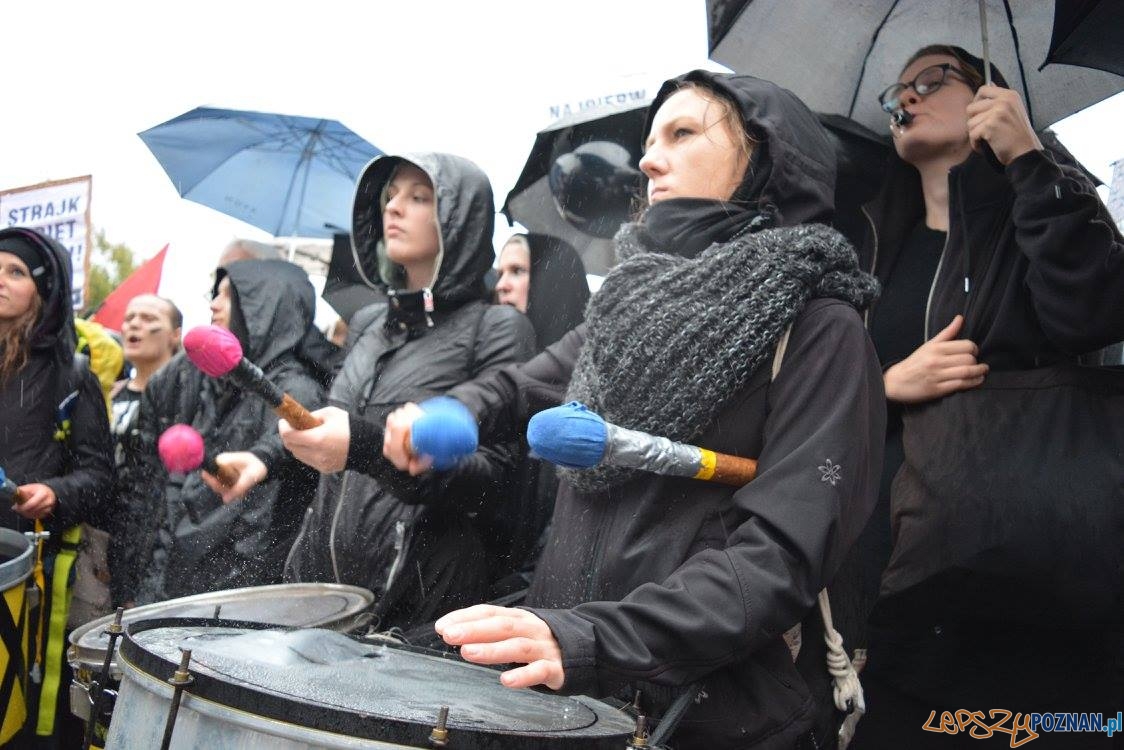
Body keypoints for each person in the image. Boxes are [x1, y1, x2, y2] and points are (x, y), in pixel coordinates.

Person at [382, 71, 886, 748]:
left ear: (768, 158)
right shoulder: (624, 307)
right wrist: (439, 414)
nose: (648, 160)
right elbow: (520, 387)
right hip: (563, 698)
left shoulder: (822, 329)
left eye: (682, 134)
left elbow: (780, 555)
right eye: (651, 140)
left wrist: (597, 639)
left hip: (705, 717)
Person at [847, 46, 1124, 747]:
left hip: (1033, 568)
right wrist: (888, 386)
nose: (904, 98)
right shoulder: (875, 246)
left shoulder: (1036, 205)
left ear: (988, 95)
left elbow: (1094, 311)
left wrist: (1029, 158)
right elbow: (816, 397)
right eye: (896, 91)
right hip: (901, 572)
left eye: (930, 79)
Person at [279, 153, 536, 631]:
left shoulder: (497, 327)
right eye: (390, 195)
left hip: (419, 609)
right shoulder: (367, 323)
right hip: (325, 600)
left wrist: (371, 448)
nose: (394, 207)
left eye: (419, 197)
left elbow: (499, 485)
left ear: (460, 221)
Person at [134, 260, 325, 601]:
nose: (213, 305)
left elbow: (259, 521)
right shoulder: (223, 384)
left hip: (237, 594)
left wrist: (223, 601)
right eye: (214, 294)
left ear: (262, 308)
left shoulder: (297, 390)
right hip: (195, 581)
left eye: (228, 296)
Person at [0, 226, 113, 746]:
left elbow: (99, 478)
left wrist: (56, 492)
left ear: (43, 291)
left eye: (15, 272)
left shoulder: (73, 374)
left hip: (30, 574)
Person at [487, 232, 590, 593]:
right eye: (500, 273)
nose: (502, 285)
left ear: (553, 280)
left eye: (517, 271)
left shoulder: (586, 380)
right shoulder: (490, 369)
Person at [105, 294, 182, 607]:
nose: (134, 324)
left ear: (175, 335)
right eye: (130, 317)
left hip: (143, 542)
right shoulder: (111, 392)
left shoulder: (179, 401)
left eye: (150, 319)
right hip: (101, 537)